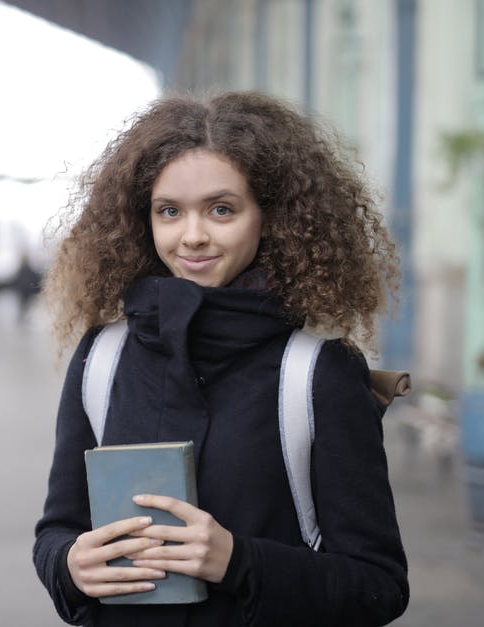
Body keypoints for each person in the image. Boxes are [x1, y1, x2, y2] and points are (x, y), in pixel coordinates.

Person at [33, 92, 408, 626]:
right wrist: (69, 566)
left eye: (222, 209)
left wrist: (239, 561)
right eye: (169, 211)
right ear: (145, 222)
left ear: (270, 217)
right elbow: (56, 530)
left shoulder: (316, 373)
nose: (193, 235)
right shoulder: (102, 357)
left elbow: (380, 585)